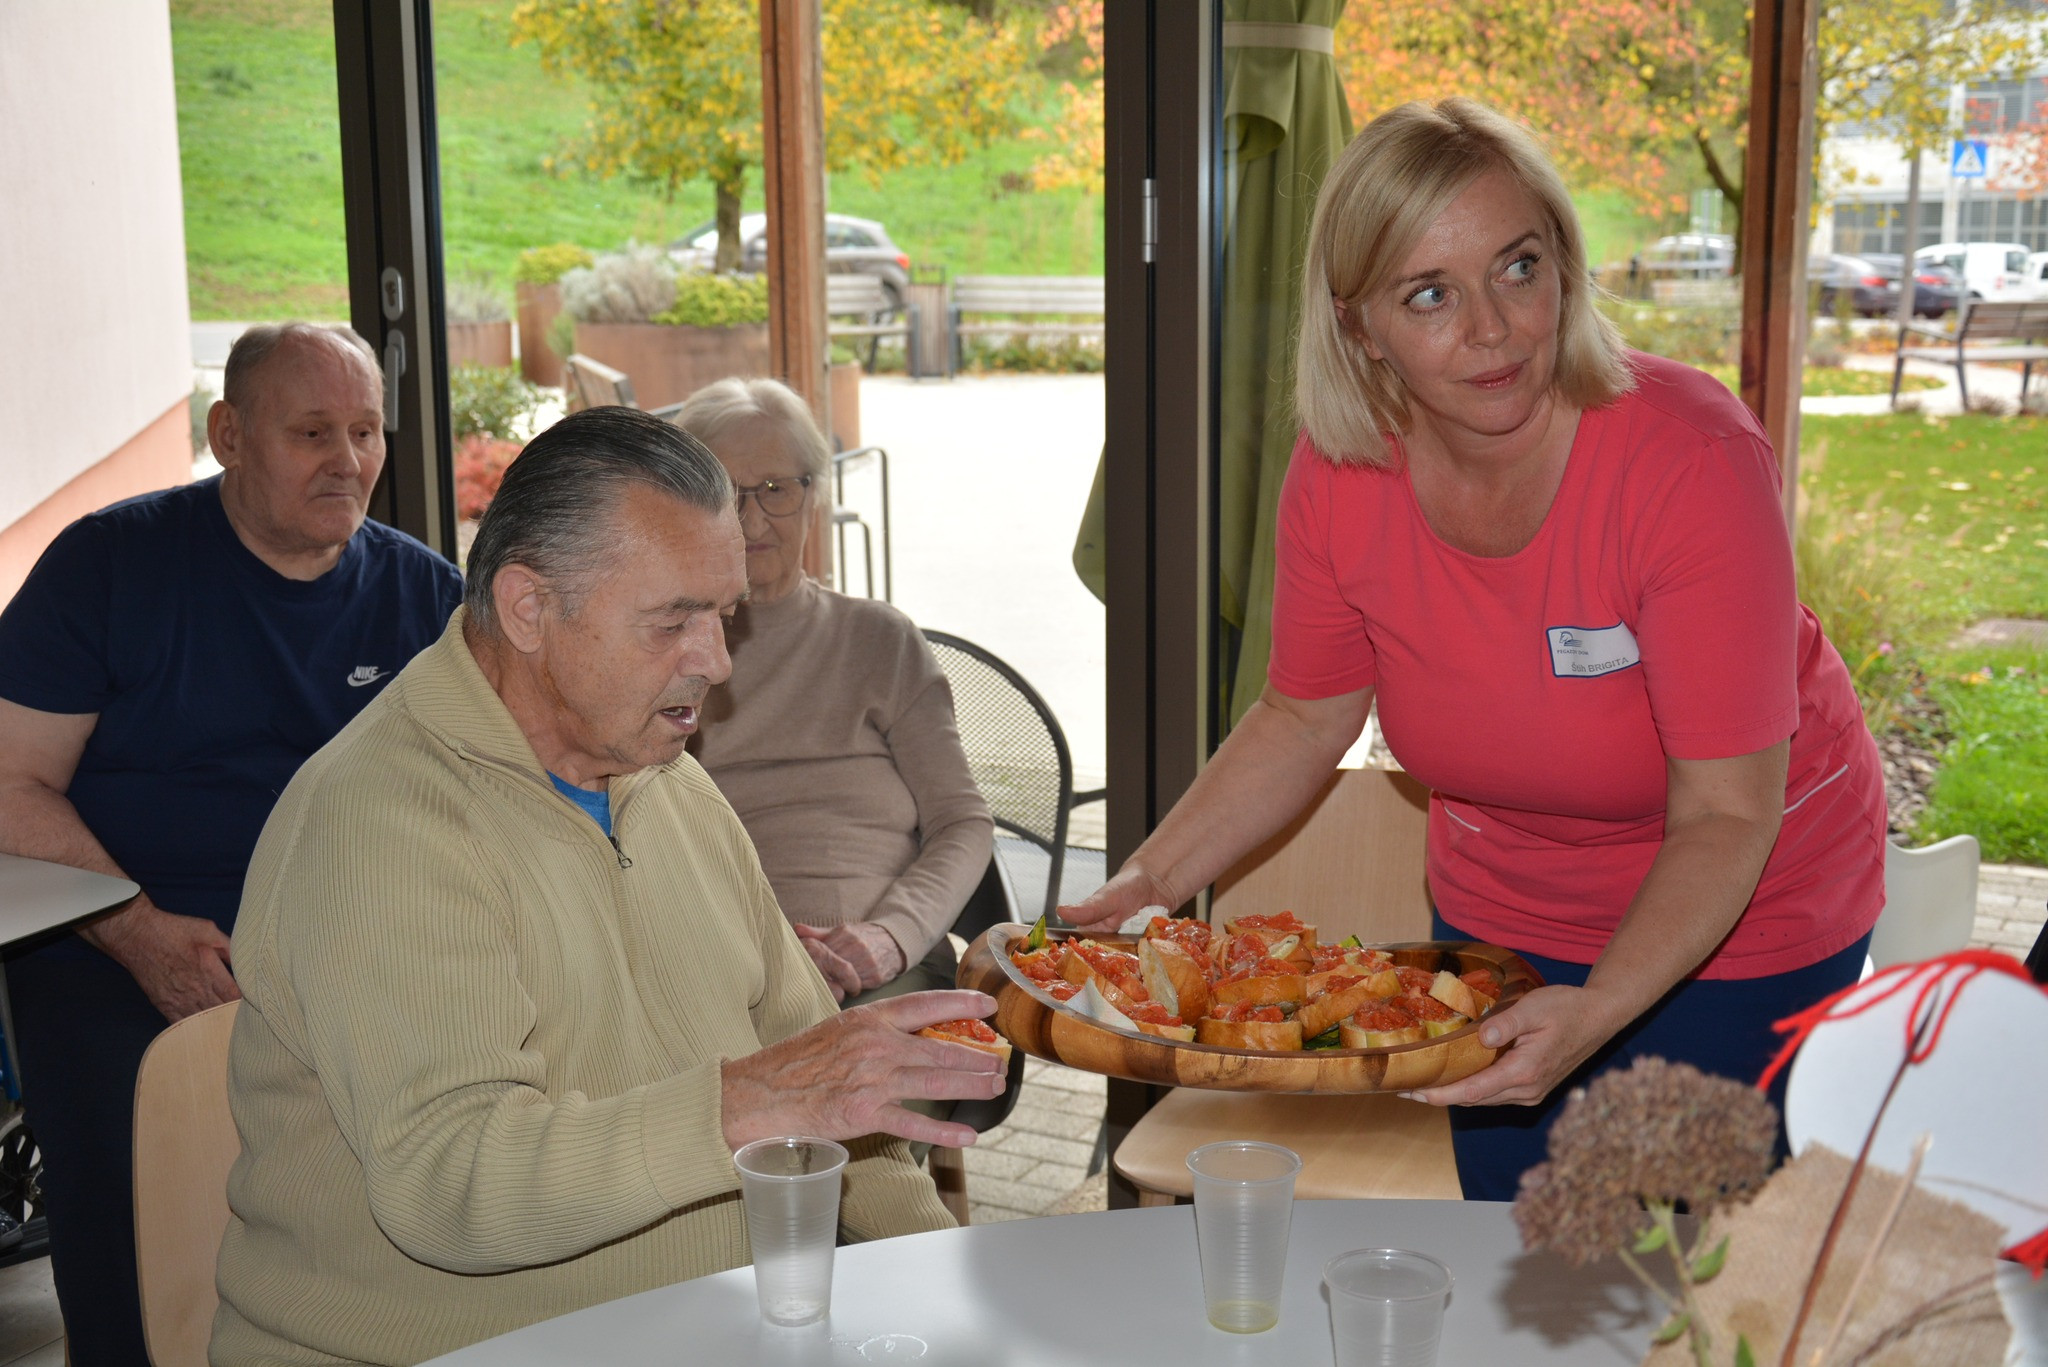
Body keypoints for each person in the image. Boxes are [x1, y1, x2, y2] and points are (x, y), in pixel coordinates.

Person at [1067, 98, 1886, 1201]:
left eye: (1516, 266)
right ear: (1358, 328)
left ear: (1564, 262)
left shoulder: (1685, 461)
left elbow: (1727, 812)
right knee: (1525, 1255)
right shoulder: (1341, 472)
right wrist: (1149, 878)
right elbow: (1304, 715)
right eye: (1427, 294)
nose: (1493, 328)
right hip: (1504, 919)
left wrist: (1598, 1008)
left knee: (1707, 1277)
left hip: (1748, 916)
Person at [212, 407, 1002, 1365]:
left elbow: (822, 1067)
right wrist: (749, 1102)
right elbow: (450, 1186)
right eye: (673, 621)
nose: (715, 659)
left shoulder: (660, 773)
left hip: (697, 1331)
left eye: (723, 615)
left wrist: (951, 1288)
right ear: (529, 608)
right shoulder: (383, 821)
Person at [0, 323, 461, 1367]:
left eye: (365, 430)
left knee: (409, 1180)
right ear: (229, 435)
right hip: (112, 938)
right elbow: (8, 782)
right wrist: (137, 930)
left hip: (354, 946)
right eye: (312, 431)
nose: (348, 461)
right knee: (140, 1204)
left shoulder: (425, 594)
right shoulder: (109, 566)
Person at [679, 378, 995, 1007]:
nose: (753, 519)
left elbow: (962, 822)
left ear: (814, 497)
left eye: (776, 489)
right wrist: (755, 954)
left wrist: (892, 935)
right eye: (726, 494)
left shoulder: (879, 640)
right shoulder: (661, 651)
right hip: (719, 968)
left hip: (884, 971)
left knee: (871, 1097)